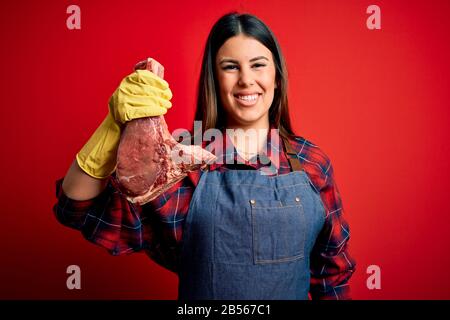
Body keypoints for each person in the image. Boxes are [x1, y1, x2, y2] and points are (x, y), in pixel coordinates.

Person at [54, 12, 356, 300]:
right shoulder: (180, 164)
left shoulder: (311, 163)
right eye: (231, 67)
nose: (246, 80)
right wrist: (114, 125)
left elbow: (333, 275)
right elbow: (77, 210)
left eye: (258, 64)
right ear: (214, 79)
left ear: (277, 76)